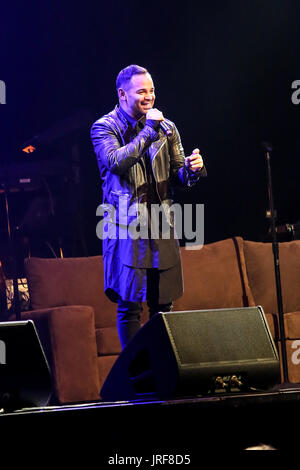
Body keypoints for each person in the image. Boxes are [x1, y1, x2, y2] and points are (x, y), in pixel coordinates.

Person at [91, 64, 207, 349]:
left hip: (161, 221)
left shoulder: (168, 129)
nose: (149, 97)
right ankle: (132, 375)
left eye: (152, 90)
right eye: (141, 91)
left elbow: (177, 174)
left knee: (163, 304)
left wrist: (192, 170)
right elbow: (116, 162)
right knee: (130, 305)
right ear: (122, 94)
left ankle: (165, 368)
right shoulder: (104, 127)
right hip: (125, 224)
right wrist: (148, 132)